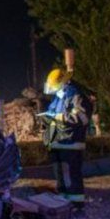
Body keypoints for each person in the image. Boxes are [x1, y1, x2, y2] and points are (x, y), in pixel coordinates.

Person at [41, 68, 93, 207]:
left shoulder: (76, 96)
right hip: (58, 143)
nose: (52, 89)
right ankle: (63, 203)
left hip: (71, 144)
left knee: (71, 177)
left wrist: (58, 117)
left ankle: (76, 205)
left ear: (63, 83)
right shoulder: (59, 97)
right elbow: (52, 113)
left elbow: (81, 117)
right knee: (61, 178)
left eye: (54, 85)